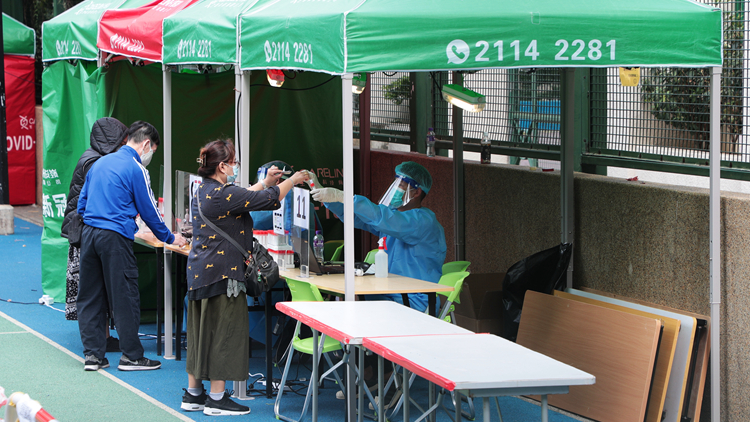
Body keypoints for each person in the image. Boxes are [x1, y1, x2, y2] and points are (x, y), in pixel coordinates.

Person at [181, 140, 308, 416]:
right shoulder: (222, 194)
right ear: (222, 165)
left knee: (200, 334)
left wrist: (264, 182)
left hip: (199, 273)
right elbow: (268, 200)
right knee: (225, 334)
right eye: (233, 162)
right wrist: (294, 180)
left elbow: (244, 196)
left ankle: (193, 394)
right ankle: (216, 398)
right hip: (224, 275)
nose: (236, 167)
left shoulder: (203, 190)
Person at [77, 121, 187, 372]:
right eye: (154, 150)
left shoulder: (100, 163)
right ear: (147, 144)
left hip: (89, 234)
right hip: (114, 237)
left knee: (90, 295)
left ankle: (93, 355)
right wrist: (170, 237)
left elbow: (81, 205)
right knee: (124, 295)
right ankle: (132, 356)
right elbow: (150, 210)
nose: (151, 155)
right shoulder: (137, 168)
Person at [311, 161, 446, 313]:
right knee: (348, 300)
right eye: (395, 184)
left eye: (401, 186)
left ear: (416, 192)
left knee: (351, 304)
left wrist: (347, 198)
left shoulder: (421, 221)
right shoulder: (395, 219)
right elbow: (359, 218)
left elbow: (383, 218)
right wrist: (329, 199)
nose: (395, 189)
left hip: (415, 298)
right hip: (393, 292)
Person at [61, 117, 128, 353]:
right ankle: (97, 343)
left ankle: (100, 340)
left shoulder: (90, 157)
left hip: (81, 230)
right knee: (93, 292)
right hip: (87, 231)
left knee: (90, 290)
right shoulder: (97, 162)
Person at [250, 160, 322, 236]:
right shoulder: (303, 201)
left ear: (277, 180)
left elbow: (254, 219)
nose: (262, 186)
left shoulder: (282, 201)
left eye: (265, 181)